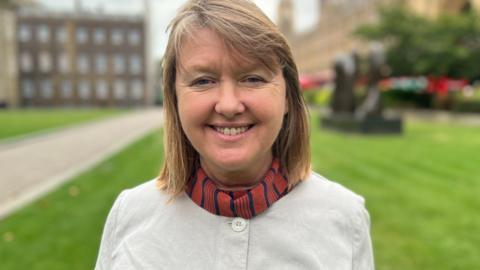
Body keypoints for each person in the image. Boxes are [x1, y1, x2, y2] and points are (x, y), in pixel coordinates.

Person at [95, 0, 374, 269]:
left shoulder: (345, 219)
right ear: (175, 98)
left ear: (288, 96)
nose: (228, 105)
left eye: (253, 78)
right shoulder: (130, 216)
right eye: (203, 81)